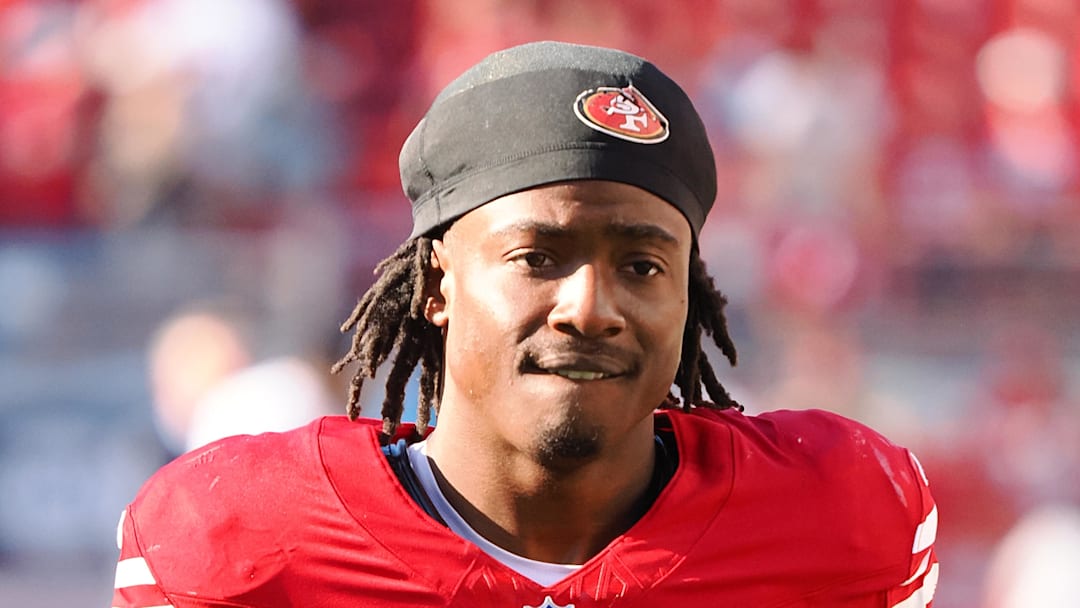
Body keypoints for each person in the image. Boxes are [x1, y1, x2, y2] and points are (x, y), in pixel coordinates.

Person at [111, 41, 938, 607]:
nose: (590, 307)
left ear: (692, 295)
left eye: (643, 266)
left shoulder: (840, 519)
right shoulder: (242, 542)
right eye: (538, 256)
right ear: (436, 284)